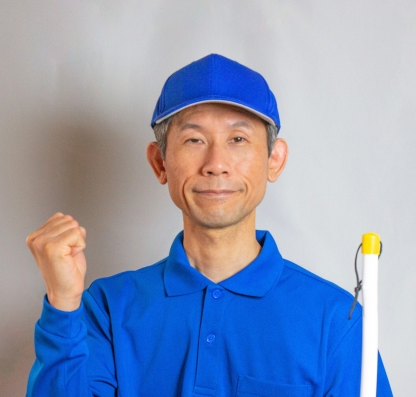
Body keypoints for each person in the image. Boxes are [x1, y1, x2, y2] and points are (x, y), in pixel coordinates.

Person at [25, 54, 393, 397]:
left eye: (238, 139)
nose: (216, 164)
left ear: (274, 160)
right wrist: (63, 303)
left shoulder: (335, 320)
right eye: (194, 140)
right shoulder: (107, 308)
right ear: (159, 163)